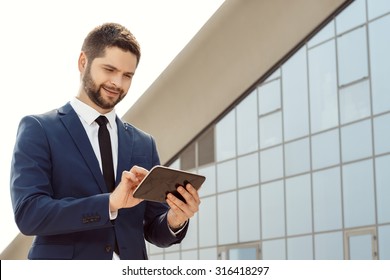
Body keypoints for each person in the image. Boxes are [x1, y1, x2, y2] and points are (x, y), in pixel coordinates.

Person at [10, 22, 200, 260]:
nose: (117, 83)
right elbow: (29, 215)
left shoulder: (144, 143)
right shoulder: (39, 129)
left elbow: (153, 228)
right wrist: (109, 203)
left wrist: (175, 219)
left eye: (127, 75)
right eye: (109, 70)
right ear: (83, 62)